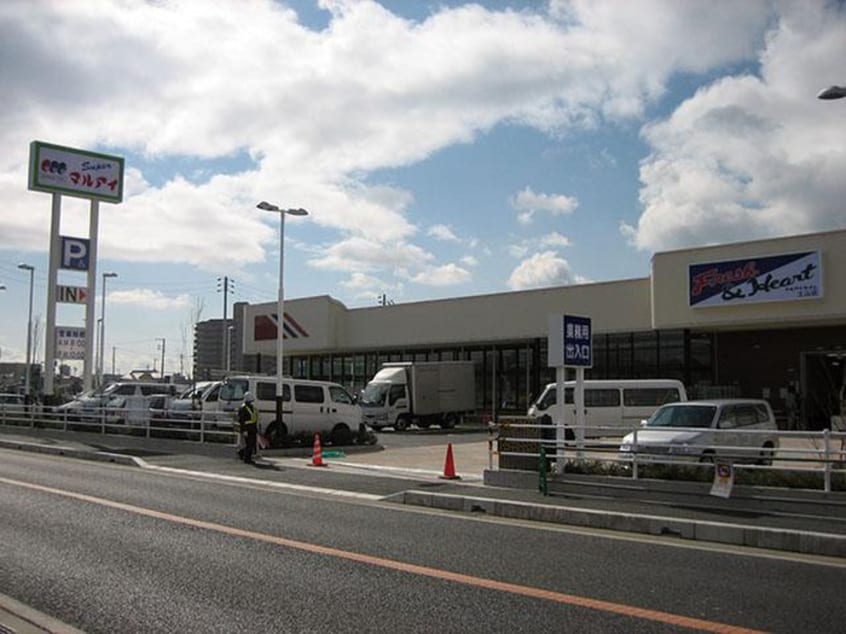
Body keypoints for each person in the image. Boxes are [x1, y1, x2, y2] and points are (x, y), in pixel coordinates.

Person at [237, 392, 258, 464]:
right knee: (249, 444)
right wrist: (244, 430)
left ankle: (242, 454)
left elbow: (254, 418)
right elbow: (241, 420)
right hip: (247, 428)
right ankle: (247, 458)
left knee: (252, 444)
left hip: (253, 428)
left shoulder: (252, 407)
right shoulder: (243, 408)